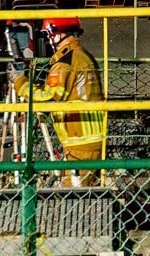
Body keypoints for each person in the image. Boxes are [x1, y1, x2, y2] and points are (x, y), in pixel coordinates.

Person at [27, 17, 107, 178]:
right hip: (92, 138)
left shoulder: (65, 63)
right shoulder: (84, 55)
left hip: (79, 142)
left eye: (49, 35)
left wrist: (20, 84)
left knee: (73, 198)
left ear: (57, 34)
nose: (49, 39)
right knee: (87, 193)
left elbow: (47, 97)